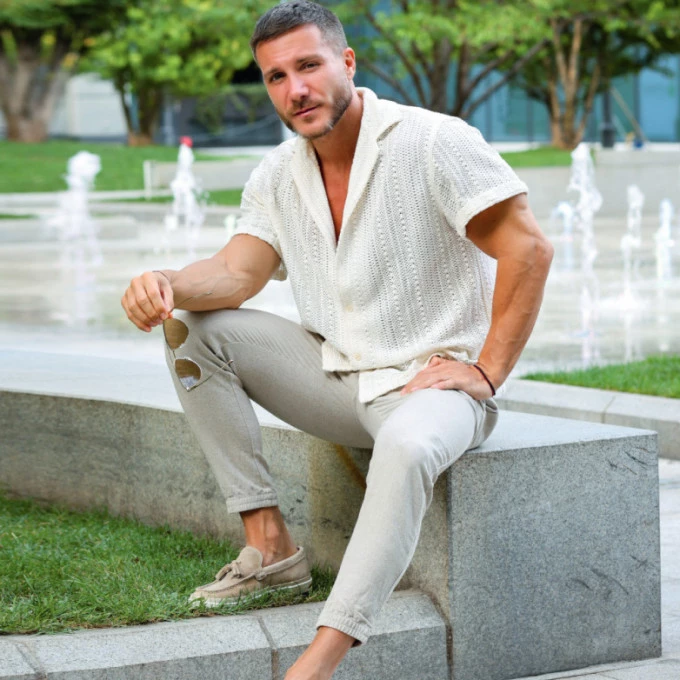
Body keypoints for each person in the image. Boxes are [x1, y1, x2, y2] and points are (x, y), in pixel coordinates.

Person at [121, 2, 554, 678]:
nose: (295, 89)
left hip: (429, 386)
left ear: (347, 62)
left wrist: (488, 371)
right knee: (191, 328)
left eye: (308, 66)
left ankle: (319, 661)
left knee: (407, 445)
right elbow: (237, 274)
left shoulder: (433, 141)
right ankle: (270, 548)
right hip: (337, 377)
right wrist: (165, 283)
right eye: (276, 77)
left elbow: (528, 247)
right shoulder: (277, 175)